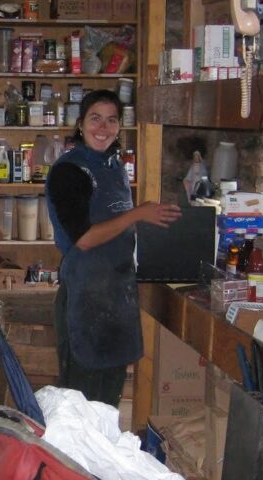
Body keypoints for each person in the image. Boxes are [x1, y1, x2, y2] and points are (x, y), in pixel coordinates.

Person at [44, 90, 182, 407]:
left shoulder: (114, 166)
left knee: (109, 403)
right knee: (80, 405)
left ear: (120, 126)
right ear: (80, 125)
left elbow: (120, 229)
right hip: (83, 296)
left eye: (111, 120)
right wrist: (138, 213)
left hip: (117, 296)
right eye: (95, 119)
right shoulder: (70, 171)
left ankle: (104, 458)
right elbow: (85, 239)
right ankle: (73, 459)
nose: (103, 127)